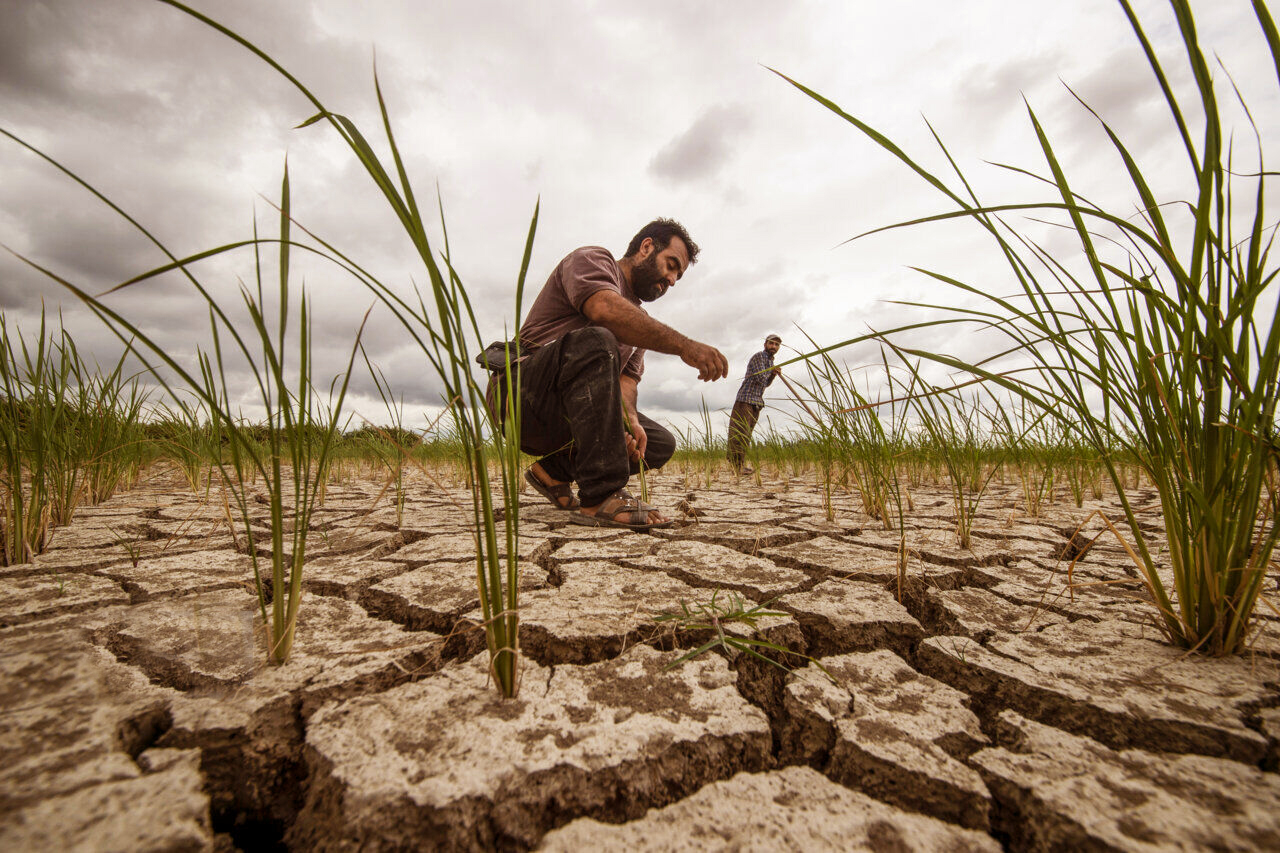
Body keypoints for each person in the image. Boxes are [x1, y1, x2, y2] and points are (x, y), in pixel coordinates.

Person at [494, 218, 728, 531]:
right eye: (671, 265)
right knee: (598, 339)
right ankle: (601, 496)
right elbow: (603, 309)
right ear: (646, 247)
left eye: (678, 276)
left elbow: (626, 382)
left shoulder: (638, 323)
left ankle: (551, 472)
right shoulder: (593, 260)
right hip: (522, 398)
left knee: (657, 443)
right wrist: (684, 346)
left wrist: (628, 420)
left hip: (574, 415)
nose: (672, 280)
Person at [726, 334, 781, 474]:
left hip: (756, 402)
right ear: (765, 344)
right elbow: (760, 378)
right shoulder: (759, 357)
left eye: (776, 344)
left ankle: (739, 465)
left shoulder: (770, 361)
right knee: (740, 433)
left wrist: (773, 374)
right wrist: (771, 372)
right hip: (745, 399)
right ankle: (736, 466)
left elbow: (766, 383)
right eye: (771, 343)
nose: (774, 346)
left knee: (746, 435)